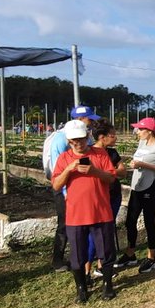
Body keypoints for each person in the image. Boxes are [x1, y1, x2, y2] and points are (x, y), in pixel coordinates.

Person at [51, 120, 118, 303]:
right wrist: (69, 169)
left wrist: (94, 171)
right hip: (76, 215)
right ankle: (81, 288)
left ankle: (107, 285)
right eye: (73, 141)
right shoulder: (64, 158)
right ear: (69, 141)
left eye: (81, 140)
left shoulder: (100, 153)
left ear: (87, 137)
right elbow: (56, 184)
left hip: (100, 212)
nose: (78, 144)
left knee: (106, 251)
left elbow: (111, 178)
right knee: (78, 255)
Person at [43, 105, 101, 272]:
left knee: (85, 222)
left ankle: (85, 256)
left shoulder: (86, 138)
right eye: (89, 119)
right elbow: (56, 168)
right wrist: (65, 193)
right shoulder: (61, 139)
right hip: (64, 189)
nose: (91, 123)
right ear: (80, 120)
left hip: (80, 187)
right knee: (65, 224)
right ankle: (58, 260)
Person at [120, 118, 155, 273]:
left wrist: (143, 165)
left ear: (149, 131)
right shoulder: (142, 143)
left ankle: (151, 257)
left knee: (149, 222)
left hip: (150, 188)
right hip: (136, 187)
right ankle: (130, 253)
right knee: (130, 221)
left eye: (140, 130)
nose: (138, 132)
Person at [92, 123, 126, 275]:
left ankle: (102, 264)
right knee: (94, 231)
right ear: (102, 137)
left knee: (108, 229)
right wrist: (111, 172)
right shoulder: (90, 153)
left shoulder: (112, 153)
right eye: (112, 135)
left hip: (114, 195)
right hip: (98, 197)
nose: (115, 137)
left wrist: (105, 172)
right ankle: (88, 266)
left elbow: (123, 171)